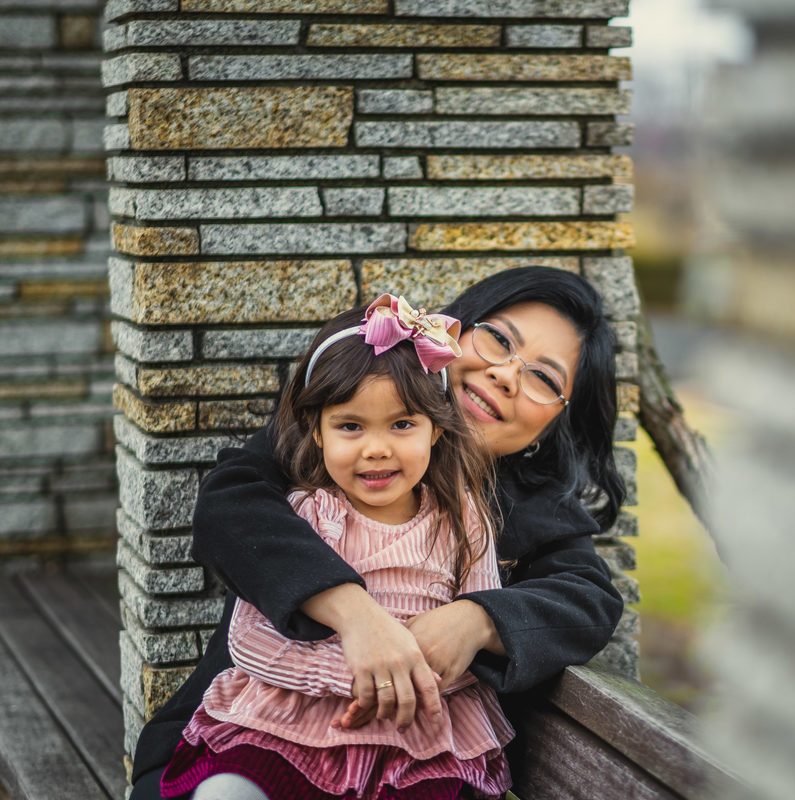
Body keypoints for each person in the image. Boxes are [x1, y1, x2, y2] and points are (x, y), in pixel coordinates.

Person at [131, 267, 626, 799]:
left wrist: (477, 620)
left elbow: (589, 599)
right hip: (257, 747)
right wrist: (356, 616)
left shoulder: (532, 511)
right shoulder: (334, 436)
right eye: (500, 339)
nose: (506, 374)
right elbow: (231, 503)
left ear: (554, 424)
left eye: (544, 379)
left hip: (409, 764)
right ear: (449, 333)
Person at [160, 294, 513, 800]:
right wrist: (350, 676)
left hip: (417, 733)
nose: (376, 447)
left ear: (436, 429)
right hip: (292, 722)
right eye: (350, 426)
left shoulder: (462, 519)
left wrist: (406, 680)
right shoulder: (309, 513)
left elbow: (474, 631)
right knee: (226, 793)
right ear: (316, 432)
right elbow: (251, 641)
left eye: (402, 424)